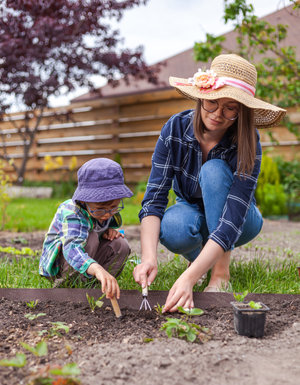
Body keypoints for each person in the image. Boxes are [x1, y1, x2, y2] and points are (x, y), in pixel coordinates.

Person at [133, 53, 286, 312]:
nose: (218, 114)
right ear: (201, 96)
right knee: (171, 227)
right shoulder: (175, 129)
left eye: (230, 108)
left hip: (241, 219)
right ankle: (202, 264)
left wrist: (188, 278)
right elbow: (154, 199)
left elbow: (231, 218)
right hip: (193, 211)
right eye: (212, 103)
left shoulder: (247, 140)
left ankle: (220, 273)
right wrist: (149, 258)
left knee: (213, 171)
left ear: (242, 112)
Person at [39, 158, 133, 299]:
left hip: (88, 260)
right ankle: (68, 285)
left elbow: (104, 225)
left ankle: (99, 287)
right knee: (92, 238)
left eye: (113, 208)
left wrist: (110, 231)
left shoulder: (104, 211)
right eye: (100, 210)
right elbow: (71, 248)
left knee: (121, 244)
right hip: (63, 264)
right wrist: (96, 268)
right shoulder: (72, 212)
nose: (107, 214)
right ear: (83, 201)